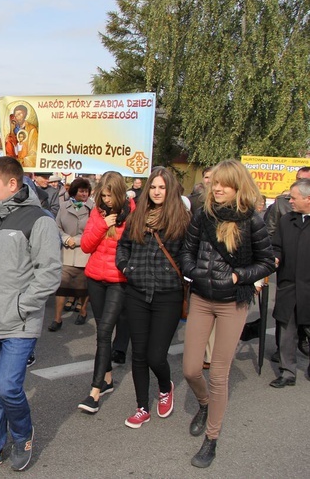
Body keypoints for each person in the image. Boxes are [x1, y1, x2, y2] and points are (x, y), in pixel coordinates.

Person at [0, 156, 61, 473]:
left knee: (7, 387)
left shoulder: (39, 220)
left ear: (12, 184)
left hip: (20, 322)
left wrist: (21, 305)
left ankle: (22, 436)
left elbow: (49, 274)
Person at [181, 159, 274, 468]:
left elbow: (268, 261)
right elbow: (186, 252)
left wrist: (238, 276)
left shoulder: (252, 221)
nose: (216, 188)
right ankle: (204, 404)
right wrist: (195, 273)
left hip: (233, 301)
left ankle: (212, 439)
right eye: (214, 182)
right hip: (202, 299)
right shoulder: (201, 215)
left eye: (223, 184)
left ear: (237, 187)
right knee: (191, 369)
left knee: (219, 375)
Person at [115, 167, 191, 428]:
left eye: (162, 187)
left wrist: (186, 274)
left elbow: (187, 255)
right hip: (136, 291)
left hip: (167, 295)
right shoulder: (137, 216)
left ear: (170, 190)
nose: (157, 192)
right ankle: (141, 407)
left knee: (155, 355)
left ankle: (164, 387)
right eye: (154, 187)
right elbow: (123, 246)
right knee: (138, 354)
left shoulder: (182, 218)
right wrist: (126, 268)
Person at [77, 171, 134, 414]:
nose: (106, 200)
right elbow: (86, 245)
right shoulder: (97, 212)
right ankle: (108, 378)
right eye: (103, 195)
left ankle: (95, 391)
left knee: (104, 332)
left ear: (120, 194)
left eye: (110, 196)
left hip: (118, 280)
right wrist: (102, 224)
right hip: (95, 279)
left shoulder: (133, 214)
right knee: (102, 331)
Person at [269, 178, 310, 387]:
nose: (290, 201)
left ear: (308, 199)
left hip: (308, 287)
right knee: (286, 330)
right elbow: (276, 245)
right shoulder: (286, 221)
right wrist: (275, 257)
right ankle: (287, 372)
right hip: (288, 285)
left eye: (293, 198)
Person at [50, 177, 93, 331]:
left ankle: (82, 311)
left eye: (86, 191)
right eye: (81, 191)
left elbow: (93, 230)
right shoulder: (63, 207)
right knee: (62, 287)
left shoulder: (93, 208)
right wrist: (66, 239)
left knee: (82, 287)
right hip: (66, 253)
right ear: (74, 191)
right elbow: (57, 226)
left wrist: (78, 240)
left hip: (84, 252)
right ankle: (57, 319)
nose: (84, 194)